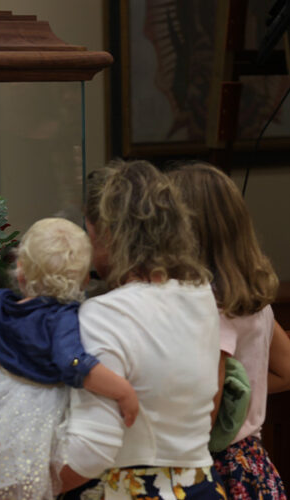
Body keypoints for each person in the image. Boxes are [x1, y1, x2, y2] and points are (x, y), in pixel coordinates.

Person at [0, 217, 139, 500]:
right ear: (86, 279)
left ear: (21, 271)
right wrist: (122, 390)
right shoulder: (63, 317)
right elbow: (72, 363)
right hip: (39, 415)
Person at [57, 159, 227, 499]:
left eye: (90, 235)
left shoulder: (104, 313)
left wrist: (25, 486)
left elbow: (94, 446)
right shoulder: (201, 297)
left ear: (108, 233)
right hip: (198, 486)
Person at [168, 162, 290, 500]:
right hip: (252, 462)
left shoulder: (210, 306)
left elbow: (209, 404)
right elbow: (287, 368)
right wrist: (247, 406)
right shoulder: (251, 298)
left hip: (215, 470)